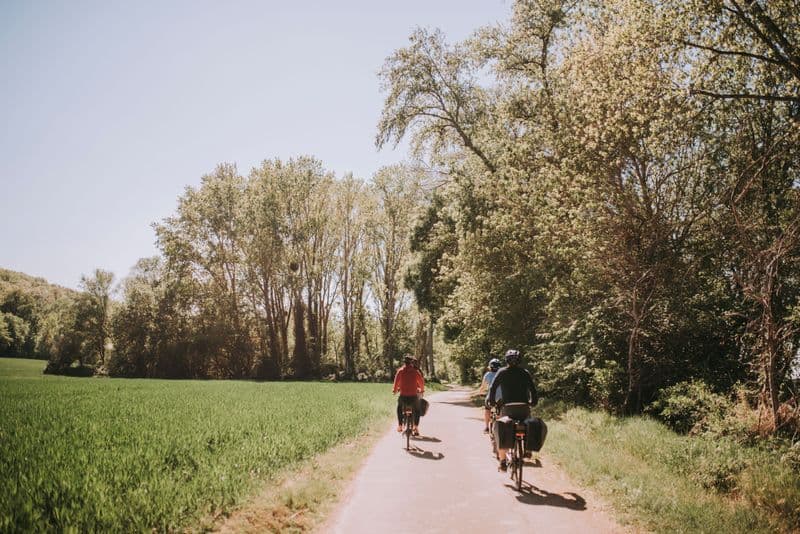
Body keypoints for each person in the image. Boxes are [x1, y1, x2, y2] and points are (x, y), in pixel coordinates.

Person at [488, 349, 538, 471]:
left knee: (502, 431)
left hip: (507, 408)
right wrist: (533, 402)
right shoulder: (525, 373)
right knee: (528, 425)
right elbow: (533, 390)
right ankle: (528, 449)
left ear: (506, 360)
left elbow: (493, 389)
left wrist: (493, 402)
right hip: (523, 407)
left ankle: (503, 461)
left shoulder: (501, 372)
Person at [393, 355, 425, 436]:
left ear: (404, 363)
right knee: (417, 410)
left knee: (399, 407)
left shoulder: (400, 371)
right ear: (411, 363)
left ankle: (400, 425)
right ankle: (415, 426)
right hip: (413, 397)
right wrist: (422, 390)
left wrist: (395, 390)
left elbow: (396, 383)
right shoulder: (415, 372)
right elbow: (421, 382)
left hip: (403, 396)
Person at [478, 358, 502, 433]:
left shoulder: (487, 375)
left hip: (490, 397)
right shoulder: (502, 374)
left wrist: (480, 392)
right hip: (502, 398)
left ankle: (486, 427)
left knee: (487, 409)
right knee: (502, 410)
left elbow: (483, 387)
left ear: (490, 367)